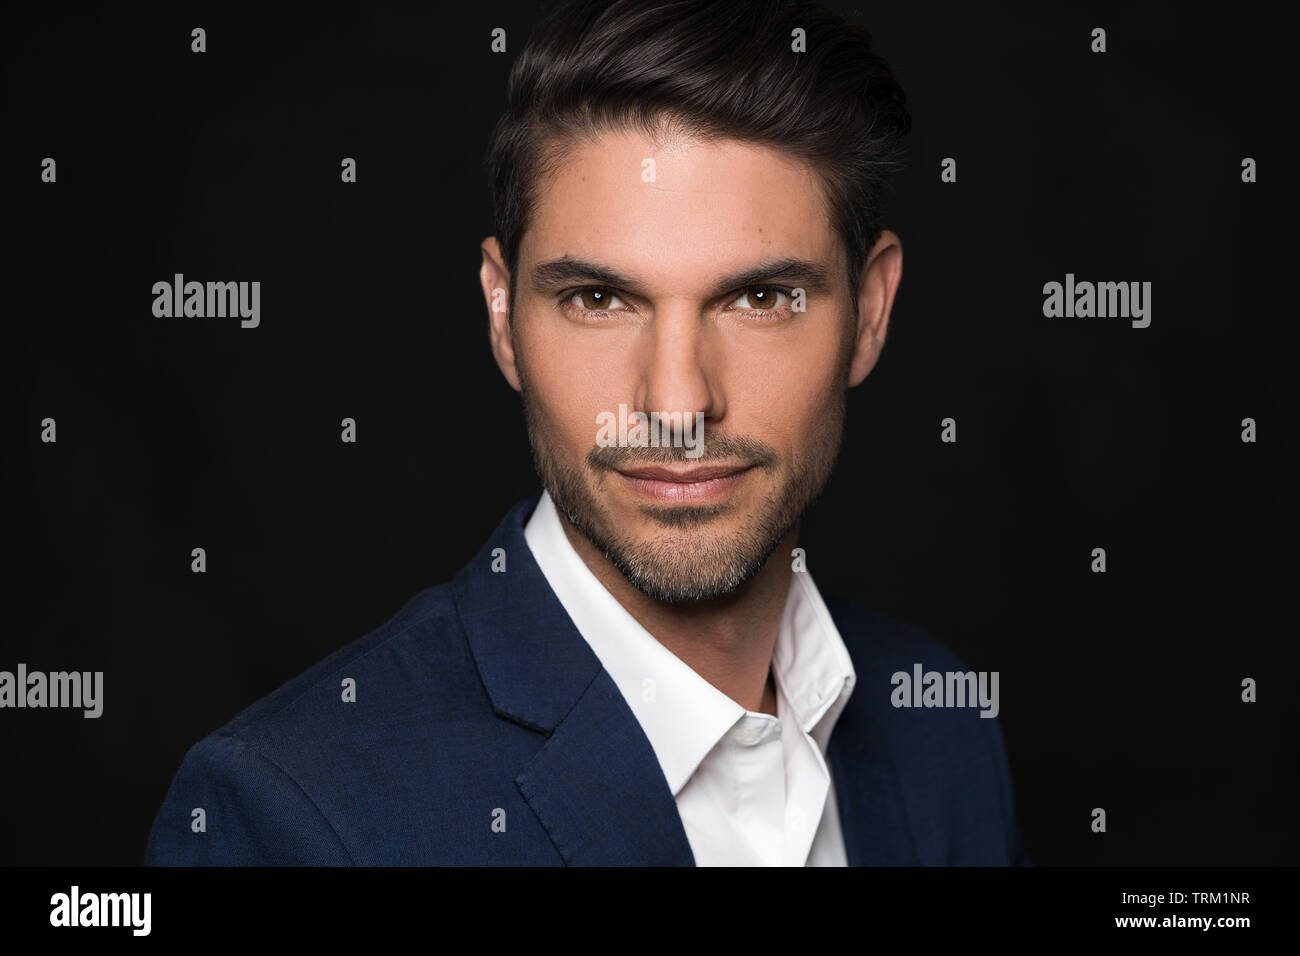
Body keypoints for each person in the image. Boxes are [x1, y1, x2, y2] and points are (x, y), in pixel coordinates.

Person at [144, 0, 1028, 866]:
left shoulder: (939, 728)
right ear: (502, 314)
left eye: (758, 298)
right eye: (599, 300)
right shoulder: (289, 815)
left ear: (869, 313)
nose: (677, 402)